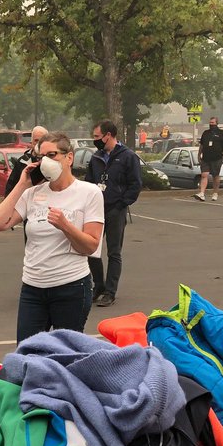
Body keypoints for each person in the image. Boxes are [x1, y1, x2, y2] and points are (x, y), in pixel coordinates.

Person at [0, 132, 104, 342]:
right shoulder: (33, 193)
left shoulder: (89, 192)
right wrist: (22, 184)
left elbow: (91, 245)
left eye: (52, 155)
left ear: (69, 157)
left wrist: (65, 226)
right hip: (33, 288)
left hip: (71, 287)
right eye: (40, 156)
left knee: (65, 357)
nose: (46, 162)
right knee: (27, 354)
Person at [86, 120, 142, 308]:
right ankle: (98, 286)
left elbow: (135, 184)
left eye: (96, 136)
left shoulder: (127, 157)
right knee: (91, 250)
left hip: (115, 210)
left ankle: (110, 291)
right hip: (96, 210)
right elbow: (88, 182)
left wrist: (121, 204)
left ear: (107, 135)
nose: (94, 140)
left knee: (114, 252)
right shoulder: (96, 158)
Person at [195, 116, 223, 202]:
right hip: (205, 158)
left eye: (212, 123)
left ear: (216, 123)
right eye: (210, 123)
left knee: (215, 176)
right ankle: (202, 193)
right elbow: (202, 145)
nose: (211, 124)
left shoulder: (221, 133)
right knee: (204, 175)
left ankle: (215, 193)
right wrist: (199, 154)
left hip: (217, 158)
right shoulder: (205, 133)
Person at [4, 125, 48, 195]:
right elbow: (11, 186)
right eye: (36, 141)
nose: (39, 144)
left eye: (42, 141)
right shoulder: (22, 162)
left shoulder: (52, 161)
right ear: (31, 142)